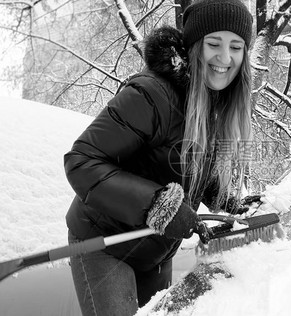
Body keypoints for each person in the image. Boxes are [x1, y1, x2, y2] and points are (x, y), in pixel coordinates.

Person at [63, 0, 254, 314]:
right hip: (105, 243)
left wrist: (226, 201)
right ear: (194, 46)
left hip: (155, 251)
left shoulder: (211, 105)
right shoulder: (153, 94)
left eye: (236, 46)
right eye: (214, 43)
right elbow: (81, 161)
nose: (225, 57)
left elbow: (187, 167)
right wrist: (156, 204)